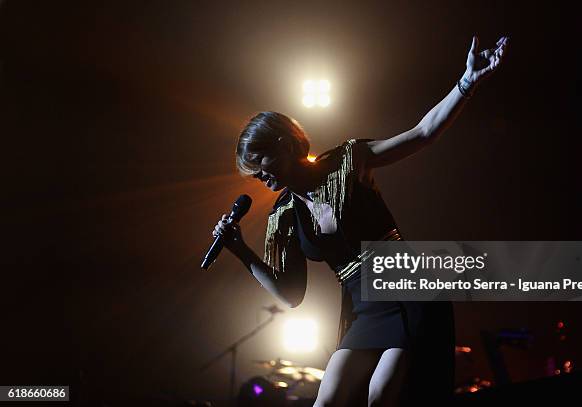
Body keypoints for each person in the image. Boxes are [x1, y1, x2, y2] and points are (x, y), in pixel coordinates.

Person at [213, 35, 509, 406]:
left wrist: (466, 82)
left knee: (380, 397)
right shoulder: (284, 214)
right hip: (363, 306)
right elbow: (290, 295)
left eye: (260, 161)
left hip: (408, 285)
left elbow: (422, 133)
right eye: (251, 170)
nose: (258, 175)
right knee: (327, 402)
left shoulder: (347, 162)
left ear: (285, 146)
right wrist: (240, 250)